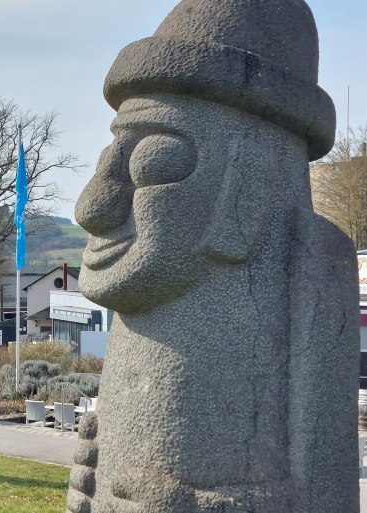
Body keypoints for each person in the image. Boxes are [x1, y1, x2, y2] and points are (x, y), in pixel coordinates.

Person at [66, 1, 359, 512]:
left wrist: (201, 504)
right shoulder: (139, 299)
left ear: (250, 177)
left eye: (152, 161)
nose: (92, 206)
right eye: (108, 160)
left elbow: (324, 491)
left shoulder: (312, 264)